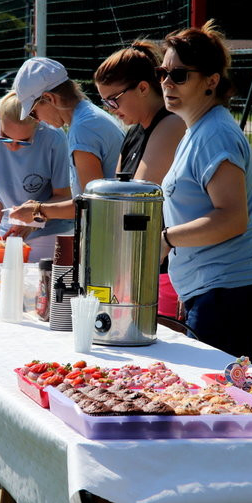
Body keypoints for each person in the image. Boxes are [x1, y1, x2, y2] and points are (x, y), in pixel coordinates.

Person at [157, 21, 252, 362]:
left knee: (221, 405)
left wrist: (167, 239)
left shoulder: (214, 135)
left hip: (230, 293)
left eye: (179, 75)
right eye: (162, 72)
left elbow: (231, 217)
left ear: (211, 81)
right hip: (217, 290)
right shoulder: (197, 129)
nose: (167, 82)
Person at [93, 40, 187, 320]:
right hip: (144, 262)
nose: (110, 109)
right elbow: (118, 198)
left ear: (143, 88)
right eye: (104, 102)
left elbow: (133, 203)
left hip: (167, 266)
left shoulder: (170, 124)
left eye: (114, 99)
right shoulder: (135, 131)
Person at [0, 90, 72, 261]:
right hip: (5, 228)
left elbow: (63, 196)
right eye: (5, 138)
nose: (12, 147)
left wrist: (33, 221)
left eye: (23, 142)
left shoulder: (54, 137)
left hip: (50, 231)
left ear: (38, 123)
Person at [9, 57, 123, 222]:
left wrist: (37, 210)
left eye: (33, 113)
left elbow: (92, 204)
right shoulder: (88, 117)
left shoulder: (83, 129)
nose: (37, 120)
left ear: (49, 99)